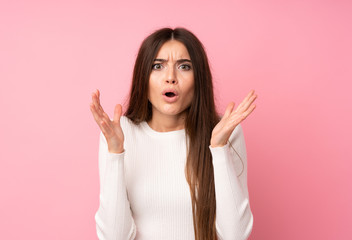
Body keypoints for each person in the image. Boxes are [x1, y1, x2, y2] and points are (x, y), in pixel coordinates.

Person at [90, 27, 257, 240]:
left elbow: (235, 235)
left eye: (184, 67)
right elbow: (115, 237)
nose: (170, 77)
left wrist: (219, 148)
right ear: (143, 76)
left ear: (199, 79)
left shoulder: (224, 132)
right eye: (157, 66)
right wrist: (115, 154)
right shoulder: (120, 133)